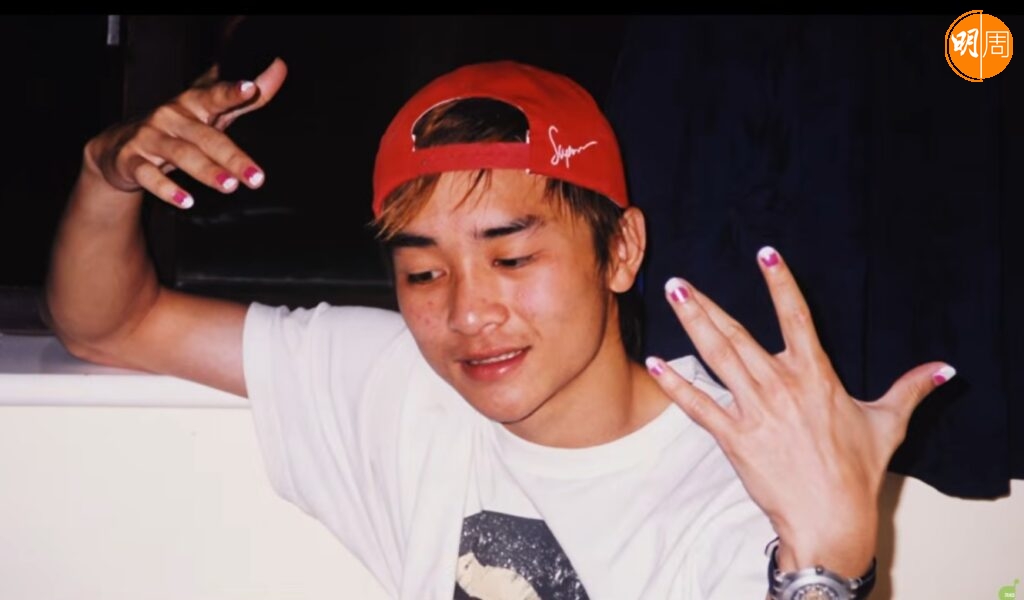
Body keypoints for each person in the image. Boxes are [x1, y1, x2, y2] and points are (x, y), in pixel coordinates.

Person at [45, 56, 954, 599]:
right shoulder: (392, 386)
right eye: (422, 271)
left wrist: (826, 565)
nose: (467, 313)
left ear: (620, 250)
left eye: (512, 258)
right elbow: (110, 323)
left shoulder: (741, 463)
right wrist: (105, 171)